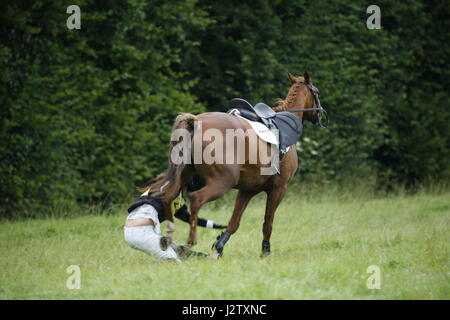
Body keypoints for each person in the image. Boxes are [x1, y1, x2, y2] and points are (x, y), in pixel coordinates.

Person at [124, 175, 225, 262]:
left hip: (134, 230)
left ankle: (210, 258)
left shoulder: (168, 189)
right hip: (141, 231)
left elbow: (189, 218)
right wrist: (170, 227)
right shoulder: (172, 189)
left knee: (182, 252)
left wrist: (214, 225)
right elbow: (167, 200)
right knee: (174, 262)